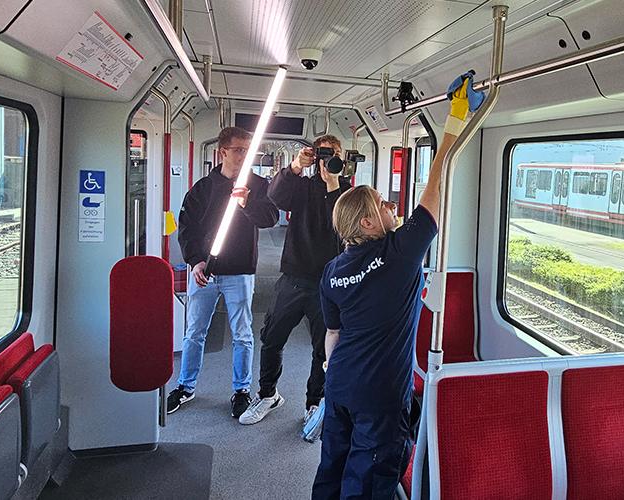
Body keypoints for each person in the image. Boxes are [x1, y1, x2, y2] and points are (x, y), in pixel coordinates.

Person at [312, 71, 482, 499]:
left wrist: (334, 372)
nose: (392, 205)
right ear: (368, 222)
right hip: (380, 394)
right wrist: (452, 127)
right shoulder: (400, 253)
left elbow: (333, 335)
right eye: (382, 205)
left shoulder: (333, 270)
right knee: (370, 481)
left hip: (341, 383)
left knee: (333, 466)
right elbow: (435, 189)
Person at [240, 135, 351, 427]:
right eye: (323, 154)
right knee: (272, 338)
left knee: (321, 348)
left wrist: (332, 186)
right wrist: (293, 168)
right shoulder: (300, 186)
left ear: (343, 158)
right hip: (293, 275)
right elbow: (275, 198)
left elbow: (341, 225)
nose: (329, 160)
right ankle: (267, 394)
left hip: (328, 284)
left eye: (334, 154)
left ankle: (314, 403)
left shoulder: (348, 193)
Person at [168, 126, 280, 418]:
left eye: (249, 150)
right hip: (205, 270)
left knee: (243, 334)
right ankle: (185, 386)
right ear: (223, 152)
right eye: (239, 150)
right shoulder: (203, 188)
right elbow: (188, 228)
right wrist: (195, 261)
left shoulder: (258, 185)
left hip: (240, 270)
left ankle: (242, 390)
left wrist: (247, 202)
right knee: (194, 332)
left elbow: (270, 218)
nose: (245, 156)